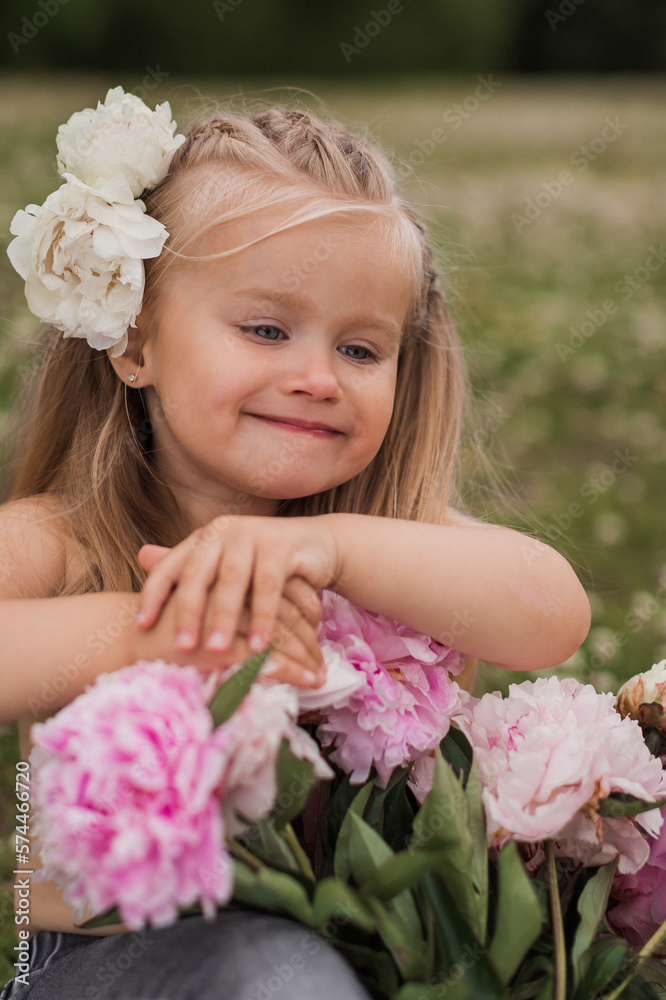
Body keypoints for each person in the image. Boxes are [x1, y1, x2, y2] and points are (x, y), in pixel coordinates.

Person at [0, 88, 590, 1000]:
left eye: (361, 349)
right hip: (104, 965)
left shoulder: (366, 544)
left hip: (371, 953)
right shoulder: (71, 538)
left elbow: (551, 613)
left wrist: (332, 547)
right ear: (134, 343)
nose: (316, 377)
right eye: (267, 329)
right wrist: (153, 631)